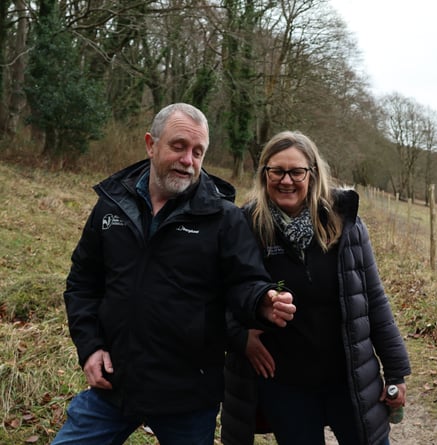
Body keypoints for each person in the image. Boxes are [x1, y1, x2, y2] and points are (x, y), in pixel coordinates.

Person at [52, 103, 296, 445]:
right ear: (151, 144)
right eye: (179, 146)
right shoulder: (111, 206)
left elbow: (245, 282)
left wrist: (263, 302)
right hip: (114, 384)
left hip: (188, 398)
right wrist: (90, 348)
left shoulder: (224, 219)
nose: (188, 161)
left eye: (198, 152)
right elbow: (82, 283)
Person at [220, 131, 411, 445]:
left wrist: (395, 372)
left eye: (296, 172)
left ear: (312, 174)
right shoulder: (246, 226)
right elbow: (224, 293)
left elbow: (374, 299)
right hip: (285, 384)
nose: (286, 180)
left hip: (347, 380)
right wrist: (240, 337)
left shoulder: (344, 223)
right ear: (264, 173)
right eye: (276, 171)